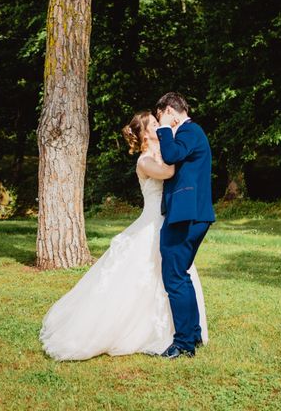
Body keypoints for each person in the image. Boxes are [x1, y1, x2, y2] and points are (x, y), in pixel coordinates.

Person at [39, 110, 208, 361]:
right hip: (153, 225)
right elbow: (170, 173)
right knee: (147, 277)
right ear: (145, 134)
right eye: (154, 124)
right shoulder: (145, 161)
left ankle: (187, 331)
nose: (159, 125)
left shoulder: (164, 153)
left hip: (172, 222)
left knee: (176, 276)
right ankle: (145, 331)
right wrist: (171, 134)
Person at [155, 92, 215, 359]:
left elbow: (171, 155)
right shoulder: (193, 133)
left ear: (169, 111)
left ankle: (183, 344)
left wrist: (165, 128)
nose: (159, 125)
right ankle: (192, 334)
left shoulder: (189, 131)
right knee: (182, 274)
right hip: (192, 214)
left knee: (174, 277)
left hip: (186, 216)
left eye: (161, 117)